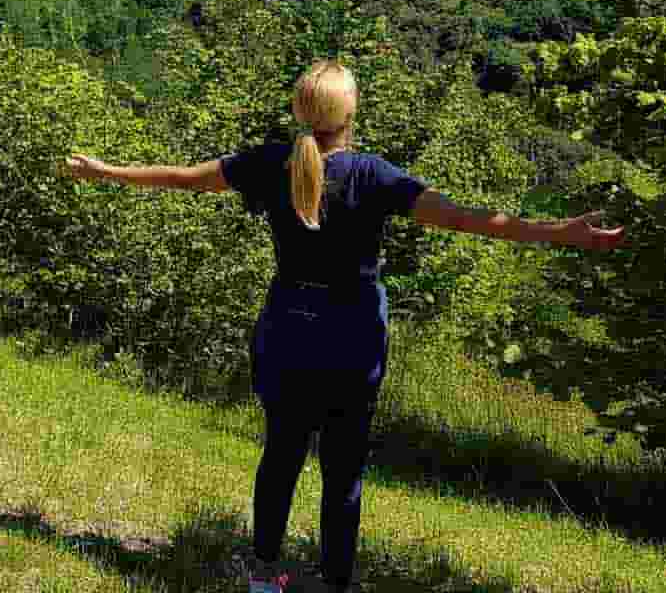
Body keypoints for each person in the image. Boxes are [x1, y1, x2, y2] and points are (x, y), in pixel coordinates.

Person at [64, 60, 624, 593]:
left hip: (287, 323)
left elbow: (184, 179)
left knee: (281, 452)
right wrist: (557, 232)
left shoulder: (269, 163)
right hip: (352, 331)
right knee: (343, 467)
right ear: (351, 113)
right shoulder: (373, 175)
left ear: (301, 110)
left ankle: (264, 574)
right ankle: (335, 581)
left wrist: (106, 171)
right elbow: (471, 220)